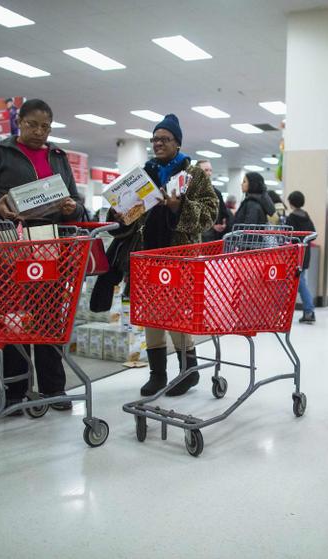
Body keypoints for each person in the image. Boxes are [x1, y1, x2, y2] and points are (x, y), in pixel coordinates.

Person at [0, 98, 84, 413]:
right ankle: (16, 393)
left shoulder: (58, 156)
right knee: (16, 318)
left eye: (45, 126)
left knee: (47, 317)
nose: (39, 131)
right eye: (32, 124)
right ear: (20, 122)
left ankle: (53, 389)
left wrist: (74, 207)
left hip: (50, 243)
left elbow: (75, 199)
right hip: (13, 244)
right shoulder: (0, 153)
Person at [109, 114, 218, 397]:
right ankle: (157, 374)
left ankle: (188, 372)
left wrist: (178, 207)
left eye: (164, 139)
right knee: (150, 316)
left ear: (178, 143)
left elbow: (210, 214)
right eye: (155, 139)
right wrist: (120, 213)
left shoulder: (193, 176)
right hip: (146, 257)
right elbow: (130, 217)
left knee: (177, 316)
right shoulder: (142, 175)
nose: (158, 144)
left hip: (179, 257)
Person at [286, 191, 316, 324]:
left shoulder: (291, 217)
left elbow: (287, 235)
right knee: (300, 280)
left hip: (295, 253)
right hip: (306, 252)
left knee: (300, 282)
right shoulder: (306, 216)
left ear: (291, 203)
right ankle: (308, 311)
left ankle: (309, 310)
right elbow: (313, 234)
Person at [197, 159, 233, 241]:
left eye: (210, 170)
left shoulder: (216, 192)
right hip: (199, 236)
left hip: (214, 237)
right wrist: (212, 226)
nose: (209, 173)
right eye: (206, 170)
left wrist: (223, 223)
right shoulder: (192, 192)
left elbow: (223, 212)